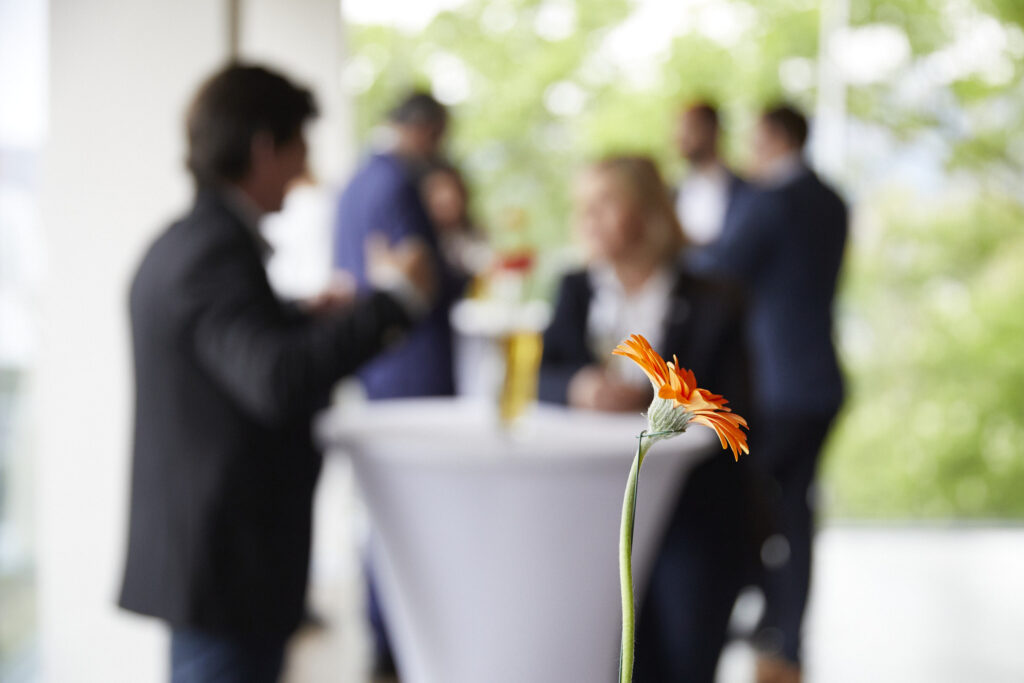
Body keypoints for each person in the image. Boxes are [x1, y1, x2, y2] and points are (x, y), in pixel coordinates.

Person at [118, 64, 435, 683]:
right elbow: (276, 380)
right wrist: (396, 302)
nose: (304, 169)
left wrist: (298, 313)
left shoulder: (187, 241)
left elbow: (226, 346)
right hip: (227, 566)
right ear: (265, 146)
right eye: (300, 147)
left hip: (215, 561)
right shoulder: (214, 250)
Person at [538, 156, 757, 682]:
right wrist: (580, 388)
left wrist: (651, 401)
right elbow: (539, 379)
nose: (586, 220)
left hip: (695, 515)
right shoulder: (575, 288)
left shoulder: (715, 298)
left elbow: (737, 412)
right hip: (593, 516)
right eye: (582, 207)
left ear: (649, 212)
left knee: (684, 659)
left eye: (604, 204)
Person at [694, 104, 848, 683]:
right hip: (821, 380)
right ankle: (785, 627)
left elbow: (721, 268)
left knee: (748, 504)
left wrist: (685, 242)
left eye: (756, 143)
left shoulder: (769, 202)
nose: (749, 156)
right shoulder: (831, 199)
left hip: (779, 383)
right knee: (796, 508)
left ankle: (738, 616)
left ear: (778, 139)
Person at [334, 91, 461, 400]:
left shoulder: (356, 181)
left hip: (374, 359)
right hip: (413, 361)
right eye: (437, 138)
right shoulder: (399, 182)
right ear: (424, 129)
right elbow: (418, 273)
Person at [673, 101, 748, 247]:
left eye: (689, 128)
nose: (680, 138)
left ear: (712, 130)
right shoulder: (675, 191)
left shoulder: (745, 192)